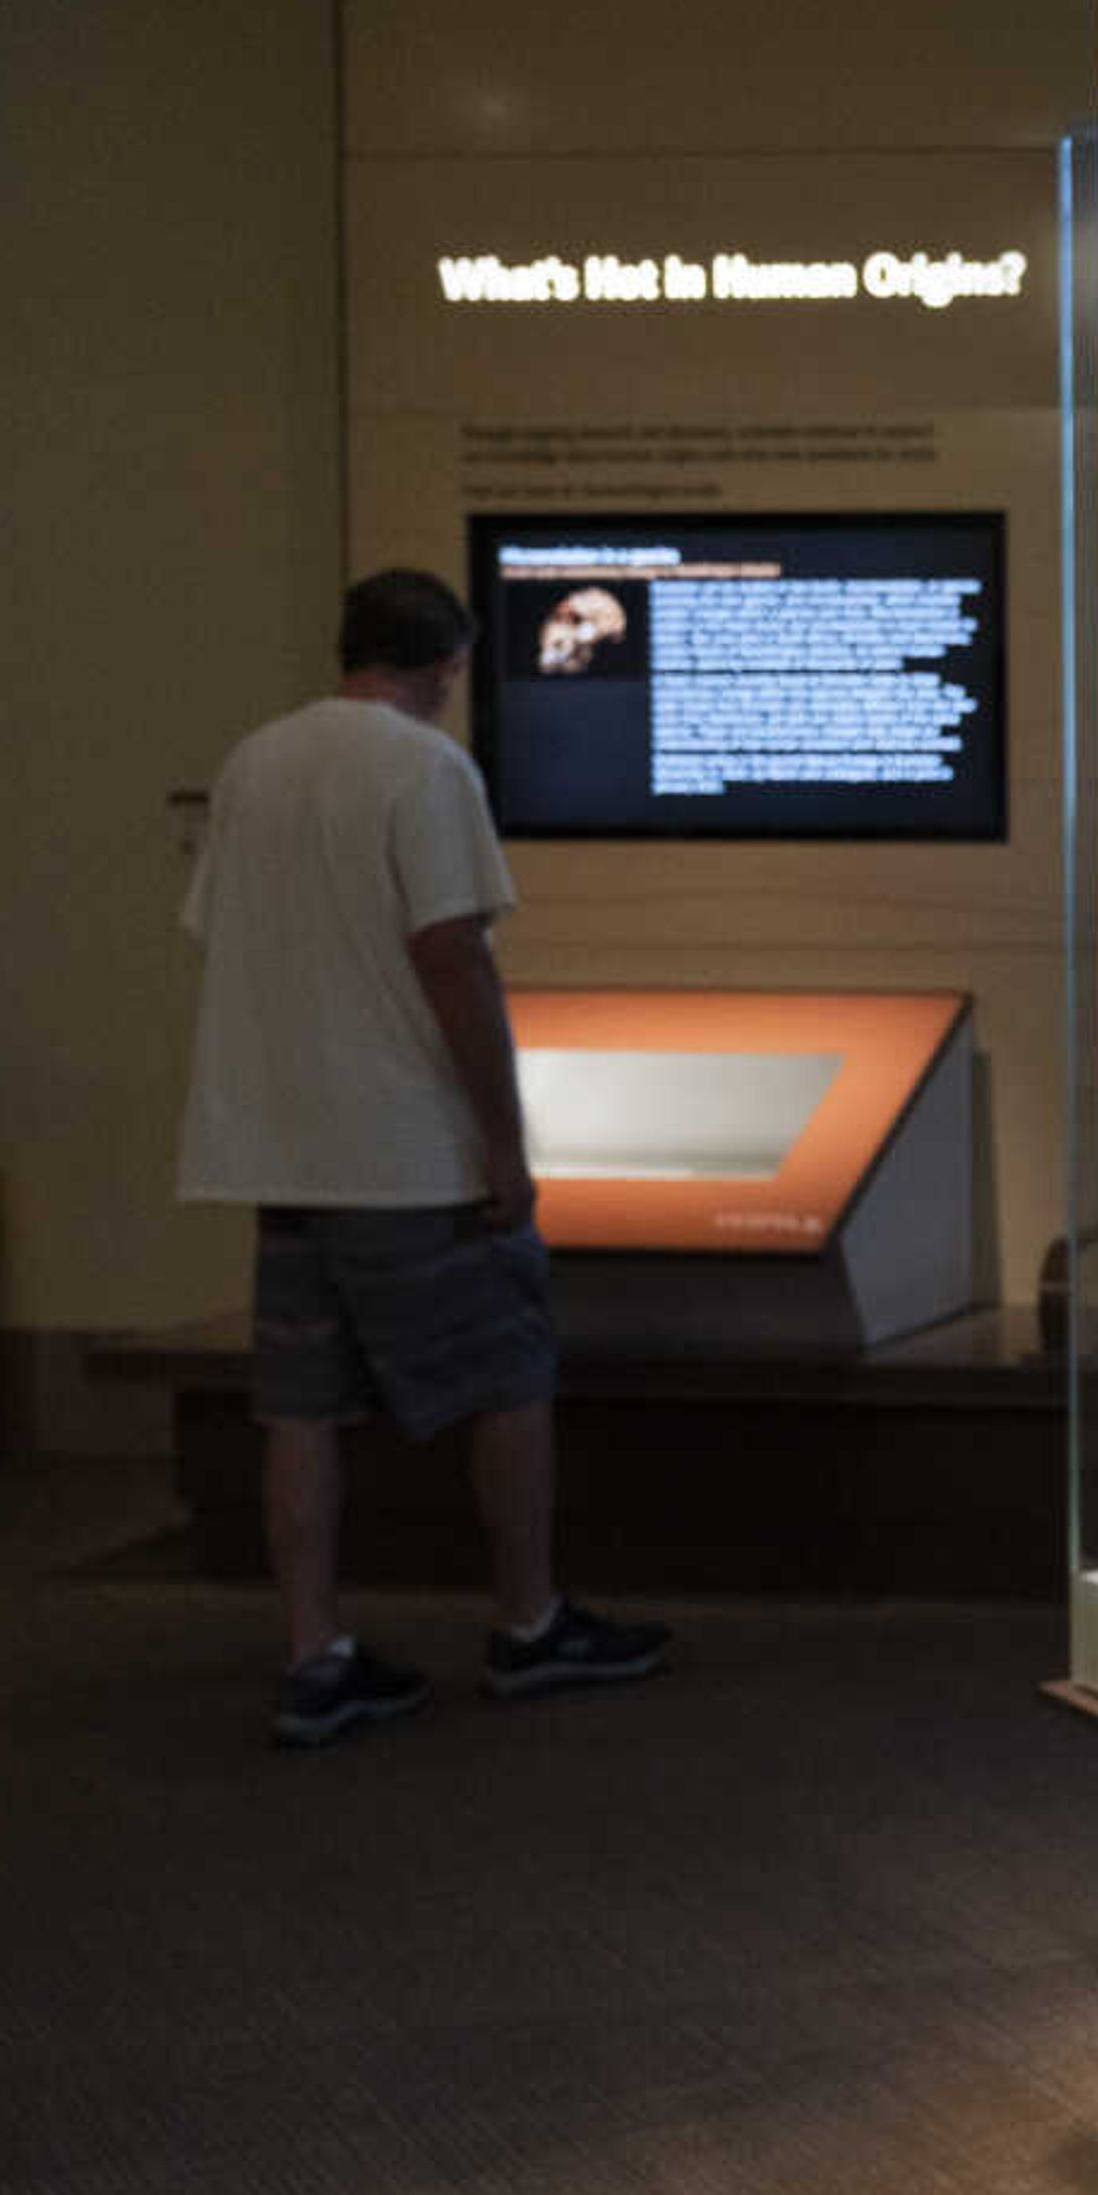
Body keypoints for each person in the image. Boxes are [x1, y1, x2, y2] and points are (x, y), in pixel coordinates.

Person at [178, 567, 672, 1748]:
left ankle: (316, 1651)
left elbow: (215, 928)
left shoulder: (256, 759)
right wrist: (505, 1144)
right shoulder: (426, 768)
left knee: (298, 1410)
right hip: (403, 1153)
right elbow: (453, 954)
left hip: (280, 1147)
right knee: (508, 1377)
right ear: (445, 667)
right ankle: (529, 1621)